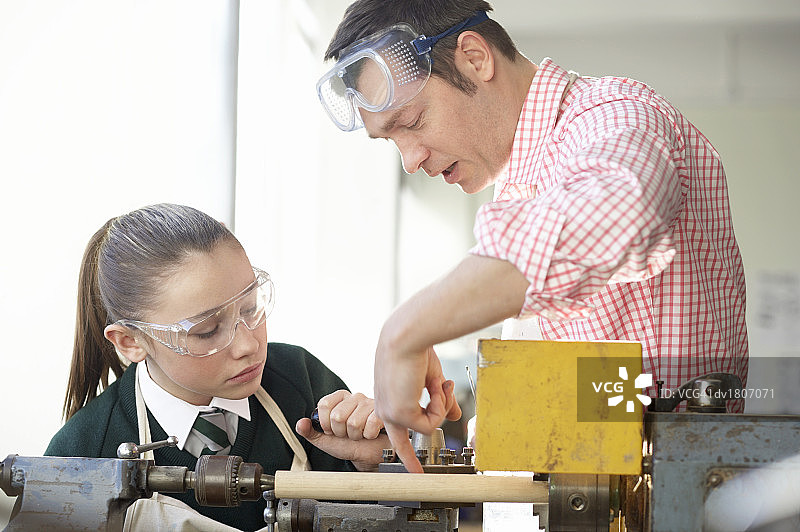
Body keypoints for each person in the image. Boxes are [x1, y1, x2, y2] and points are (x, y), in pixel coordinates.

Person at [318, 0, 748, 473]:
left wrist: (406, 331)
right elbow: (554, 436)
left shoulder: (613, 115)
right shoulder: (521, 190)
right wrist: (393, 458)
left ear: (475, 58)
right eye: (391, 139)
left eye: (414, 121)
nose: (411, 161)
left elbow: (615, 209)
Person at [46, 203, 389, 530]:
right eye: (206, 331)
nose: (248, 345)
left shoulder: (301, 381)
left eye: (250, 308)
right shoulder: (81, 454)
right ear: (130, 341)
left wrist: (373, 467)